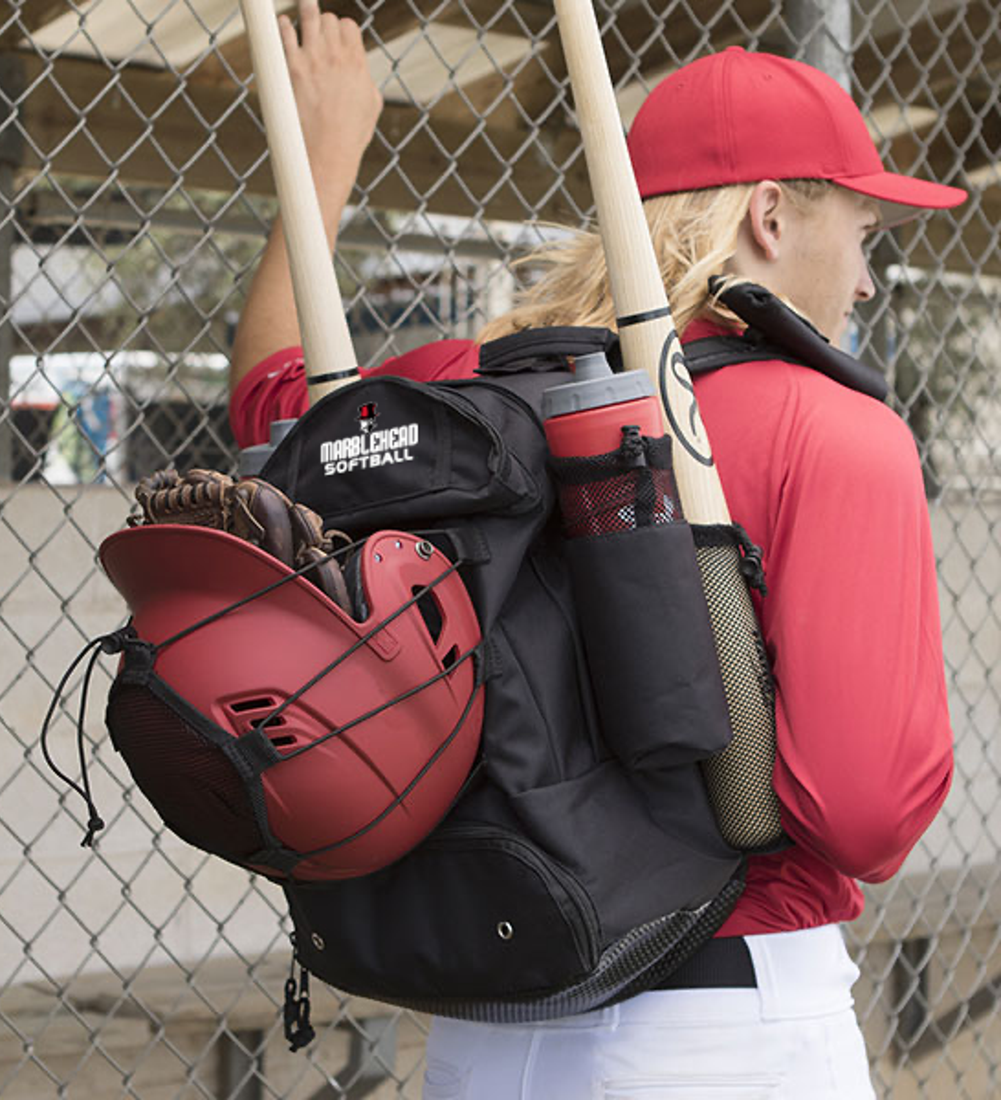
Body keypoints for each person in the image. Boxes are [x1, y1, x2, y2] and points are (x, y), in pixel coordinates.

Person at [231, 5, 960, 1096]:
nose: (862, 281)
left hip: (488, 1024)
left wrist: (327, 142)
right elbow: (860, 812)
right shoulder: (834, 426)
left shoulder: (456, 391)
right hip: (729, 1026)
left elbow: (274, 412)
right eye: (859, 234)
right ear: (768, 214)